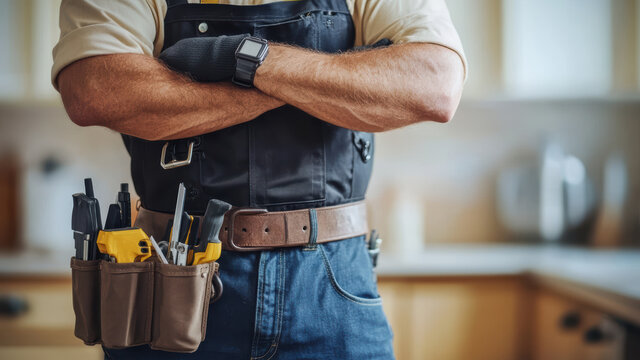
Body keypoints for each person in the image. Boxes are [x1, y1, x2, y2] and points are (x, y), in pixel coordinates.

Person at [53, 0, 466, 358]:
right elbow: (95, 89)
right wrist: (315, 85)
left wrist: (242, 56)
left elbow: (434, 84)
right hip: (174, 285)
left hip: (335, 286)